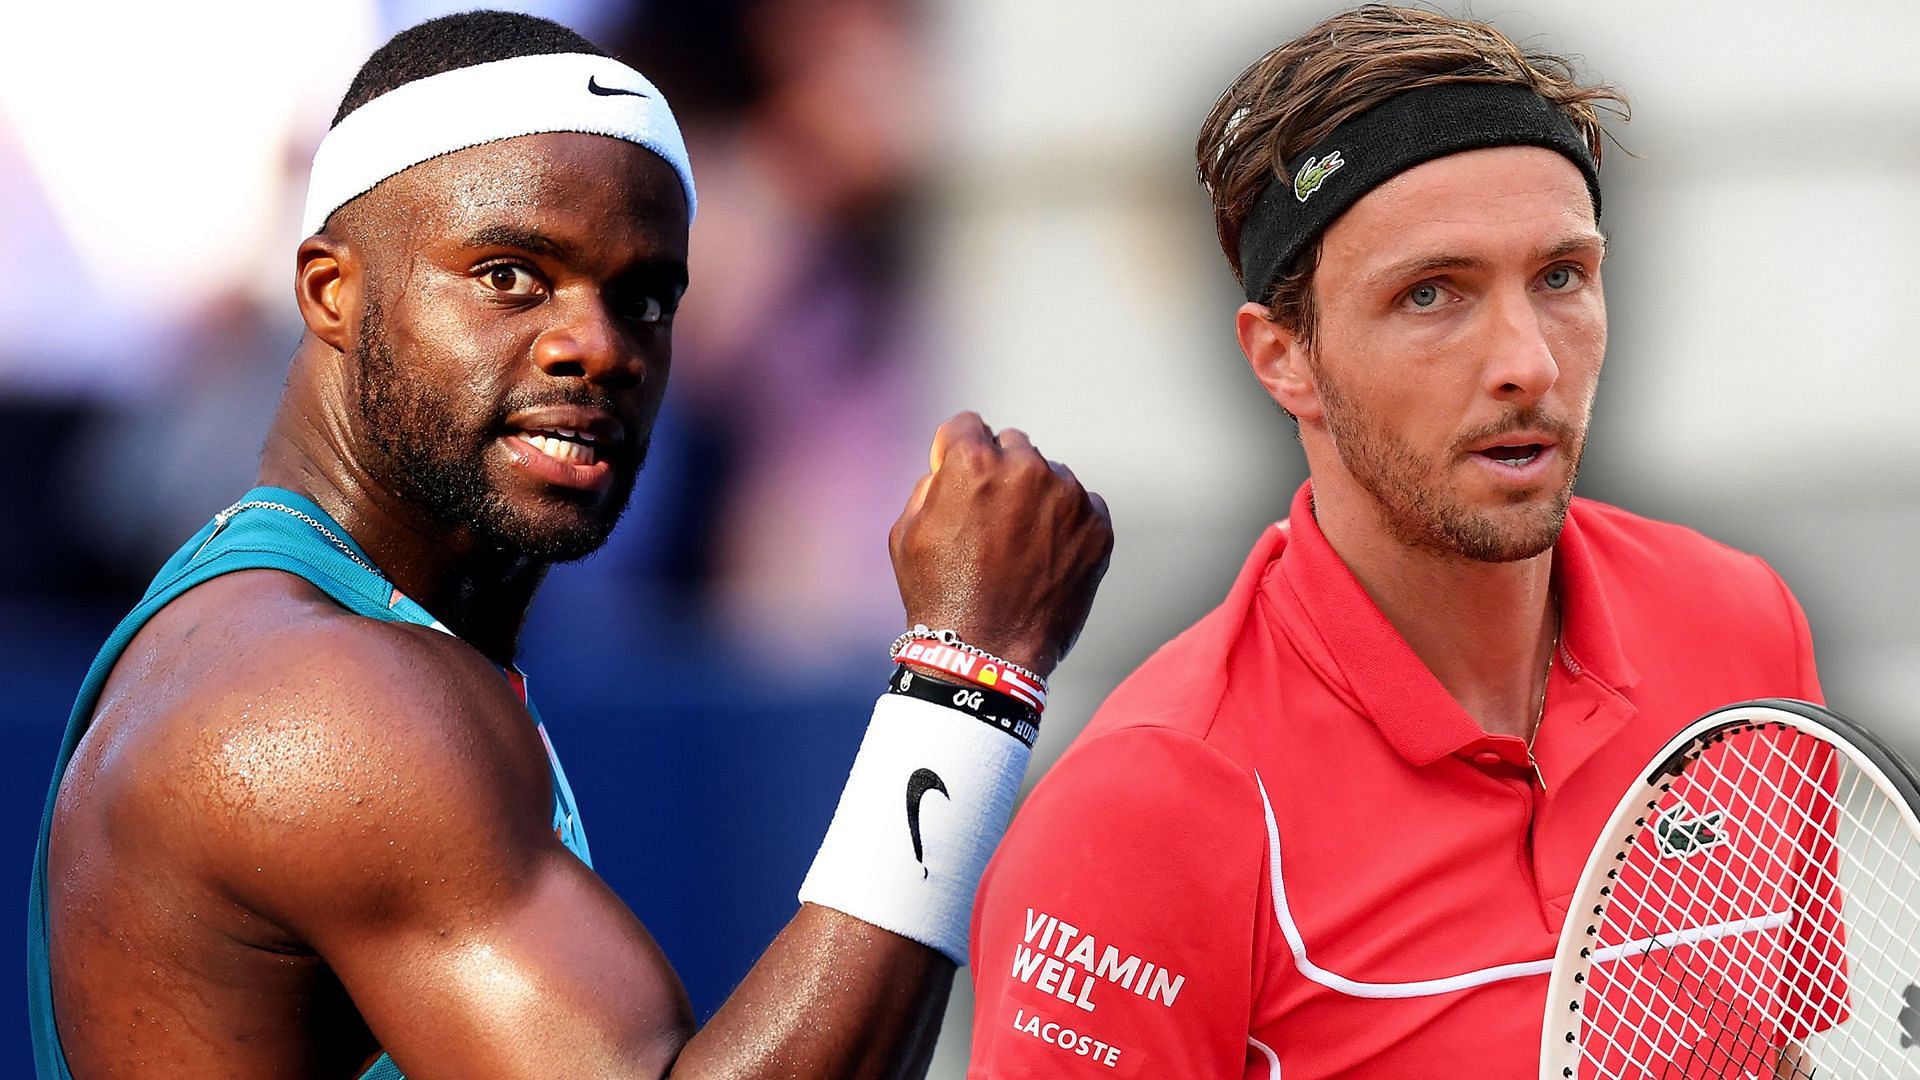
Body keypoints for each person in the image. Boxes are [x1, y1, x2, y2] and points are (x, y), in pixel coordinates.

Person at [27, 12, 1112, 1079]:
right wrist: (971, 670)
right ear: (330, 292)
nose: (595, 346)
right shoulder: (325, 697)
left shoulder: (299, 629)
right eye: (509, 274)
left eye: (644, 295)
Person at [966, 6, 1831, 1077]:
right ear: (1284, 357)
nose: (1528, 363)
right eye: (1433, 294)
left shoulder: (1742, 626)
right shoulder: (1146, 810)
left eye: (1561, 277)